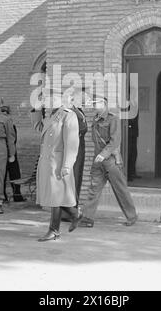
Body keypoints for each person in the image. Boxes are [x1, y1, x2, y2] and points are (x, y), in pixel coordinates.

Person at [32, 88, 82, 242]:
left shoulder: (69, 115)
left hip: (58, 162)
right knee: (54, 196)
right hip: (48, 162)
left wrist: (67, 165)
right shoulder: (51, 115)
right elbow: (39, 128)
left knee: (56, 197)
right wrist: (35, 109)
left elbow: (72, 143)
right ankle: (75, 214)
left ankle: (54, 230)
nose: (48, 101)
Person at [80, 96, 137, 228]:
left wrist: (103, 154)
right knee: (94, 189)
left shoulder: (113, 119)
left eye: (96, 103)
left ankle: (132, 216)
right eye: (93, 103)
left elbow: (115, 141)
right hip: (98, 161)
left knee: (120, 189)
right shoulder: (95, 118)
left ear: (104, 104)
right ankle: (87, 218)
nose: (94, 106)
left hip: (110, 160)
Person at [61, 88, 87, 222]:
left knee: (76, 179)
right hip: (73, 148)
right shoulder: (71, 112)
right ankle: (68, 212)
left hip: (79, 147)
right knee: (72, 179)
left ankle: (71, 210)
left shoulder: (78, 111)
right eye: (83, 96)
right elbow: (79, 129)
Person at [1, 105, 26, 202]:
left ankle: (17, 195)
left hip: (12, 154)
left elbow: (13, 140)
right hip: (1, 154)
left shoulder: (12, 126)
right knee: (1, 177)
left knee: (15, 175)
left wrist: (11, 153)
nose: (4, 115)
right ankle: (3, 197)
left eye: (6, 113)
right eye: (2, 113)